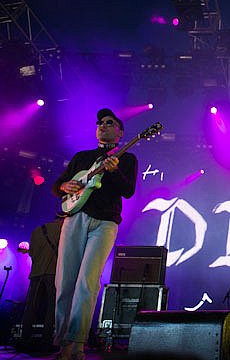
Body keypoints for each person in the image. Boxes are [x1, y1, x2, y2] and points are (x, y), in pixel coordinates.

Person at [51, 109, 138, 360]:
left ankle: (76, 344)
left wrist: (114, 171)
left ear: (120, 132)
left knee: (87, 282)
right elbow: (58, 185)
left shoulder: (127, 158)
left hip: (105, 223)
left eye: (109, 123)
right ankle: (62, 342)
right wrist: (64, 186)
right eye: (100, 123)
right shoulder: (82, 157)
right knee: (64, 281)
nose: (103, 125)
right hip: (75, 218)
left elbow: (128, 191)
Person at [18, 219, 62, 351]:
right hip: (53, 273)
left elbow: (31, 253)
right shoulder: (63, 230)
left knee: (31, 307)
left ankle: (24, 340)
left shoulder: (37, 230)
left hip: (36, 273)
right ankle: (46, 341)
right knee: (51, 308)